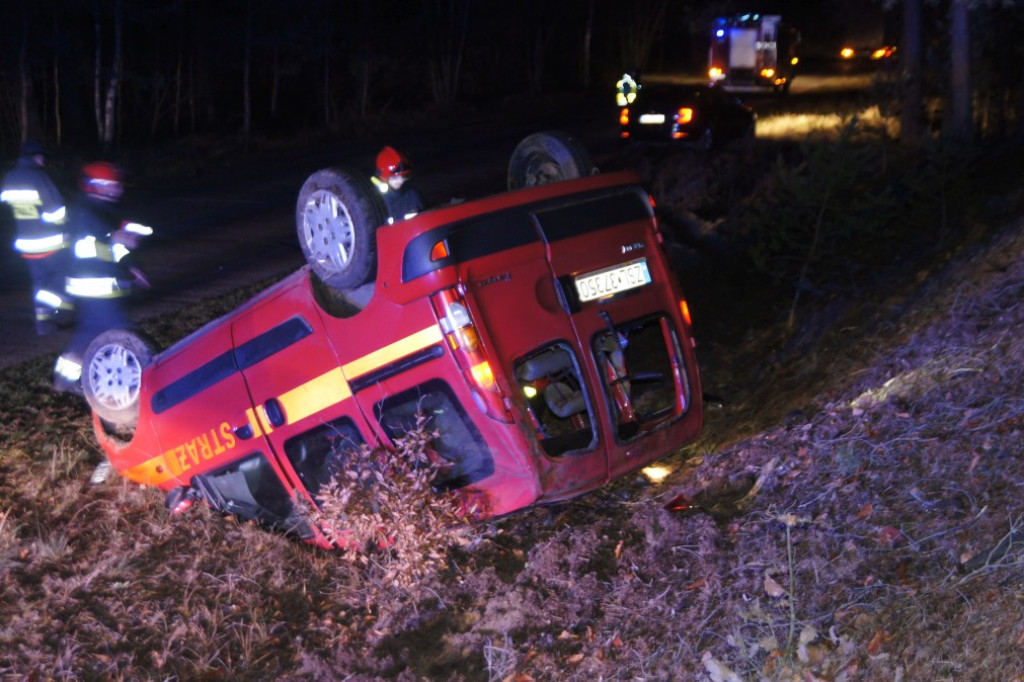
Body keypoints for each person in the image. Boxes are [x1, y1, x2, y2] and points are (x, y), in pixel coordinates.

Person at [53, 161, 151, 396]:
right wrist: (114, 237)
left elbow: (114, 248)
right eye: (113, 185)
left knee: (89, 333)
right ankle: (145, 378)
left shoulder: (104, 209)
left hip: (99, 288)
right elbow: (93, 238)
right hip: (93, 287)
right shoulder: (86, 211)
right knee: (125, 332)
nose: (118, 189)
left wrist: (132, 267)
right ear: (96, 187)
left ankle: (63, 380)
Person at [0, 139, 74, 335]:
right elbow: (55, 212)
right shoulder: (39, 178)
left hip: (26, 244)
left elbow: (8, 206)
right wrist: (67, 222)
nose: (44, 160)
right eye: (42, 156)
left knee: (40, 282)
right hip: (49, 242)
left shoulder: (9, 178)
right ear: (36, 157)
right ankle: (60, 314)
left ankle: (44, 323)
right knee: (63, 276)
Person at [370, 146, 425, 224]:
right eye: (395, 178)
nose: (401, 181)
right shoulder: (376, 199)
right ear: (384, 177)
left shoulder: (413, 195)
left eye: (403, 177)